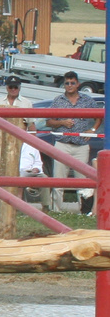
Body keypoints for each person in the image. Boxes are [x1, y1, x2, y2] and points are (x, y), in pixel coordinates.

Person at [44, 71, 101, 215]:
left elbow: (99, 115)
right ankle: (56, 211)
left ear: (78, 84)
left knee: (81, 181)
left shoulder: (87, 100)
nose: (69, 86)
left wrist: (92, 129)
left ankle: (84, 212)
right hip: (62, 144)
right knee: (58, 180)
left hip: (81, 145)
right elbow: (48, 121)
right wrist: (62, 122)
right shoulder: (58, 100)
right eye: (67, 83)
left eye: (72, 83)